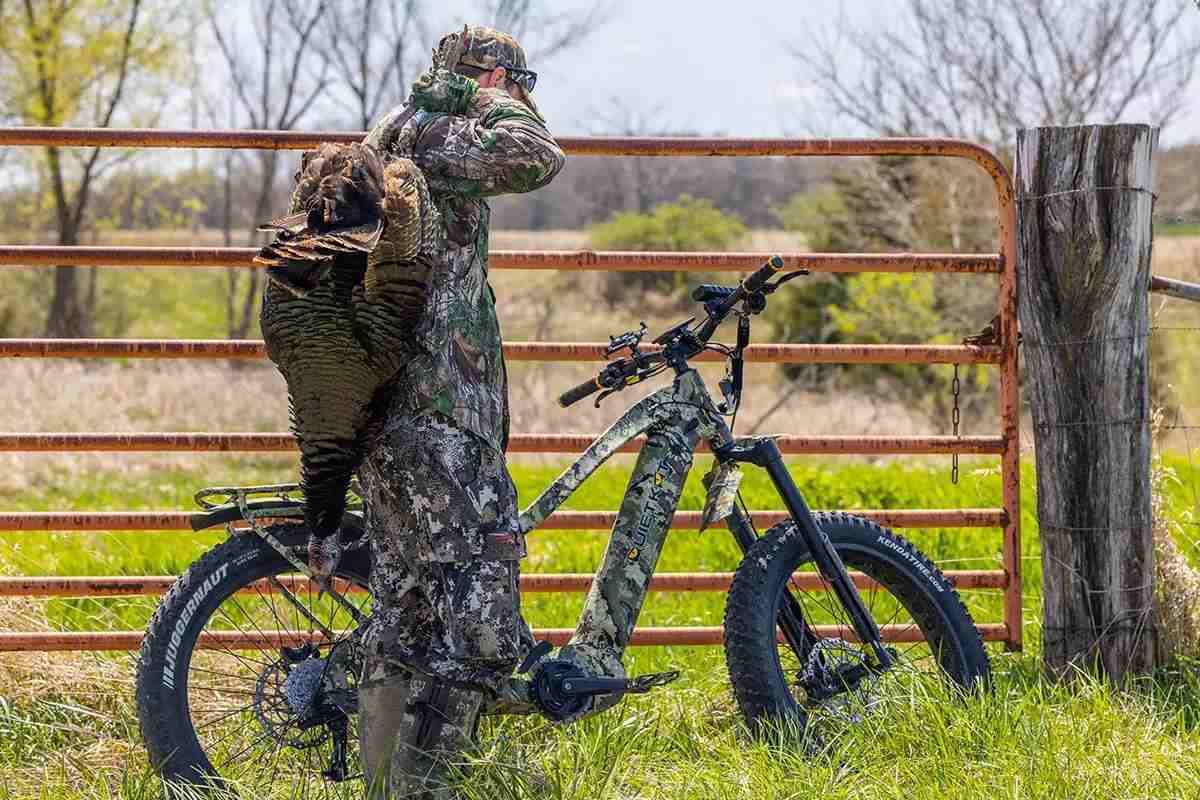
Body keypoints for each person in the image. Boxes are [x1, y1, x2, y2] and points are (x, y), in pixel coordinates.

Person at [322, 24, 565, 799]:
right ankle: (433, 788)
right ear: (493, 73)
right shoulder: (442, 131)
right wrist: (491, 95)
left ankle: (388, 788)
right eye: (518, 79)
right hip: (435, 413)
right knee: (481, 624)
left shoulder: (390, 128)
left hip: (386, 416)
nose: (526, 96)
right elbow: (537, 155)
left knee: (405, 617)